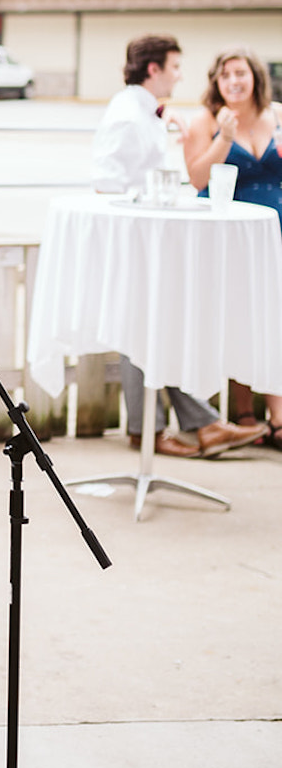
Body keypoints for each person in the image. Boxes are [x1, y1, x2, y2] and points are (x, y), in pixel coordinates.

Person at [91, 33, 265, 459]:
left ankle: (194, 425)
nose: (180, 75)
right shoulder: (129, 115)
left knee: (150, 327)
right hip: (135, 234)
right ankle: (155, 430)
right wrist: (149, 198)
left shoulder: (143, 111)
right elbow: (107, 179)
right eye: (174, 66)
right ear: (154, 69)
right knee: (142, 327)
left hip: (147, 233)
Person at [182, 46, 282, 448]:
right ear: (216, 82)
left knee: (275, 319)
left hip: (275, 227)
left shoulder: (276, 113)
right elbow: (197, 178)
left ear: (255, 76)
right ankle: (244, 414)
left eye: (241, 73)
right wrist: (225, 136)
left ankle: (274, 414)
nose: (234, 82)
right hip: (228, 232)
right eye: (226, 76)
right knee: (240, 318)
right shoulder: (204, 120)